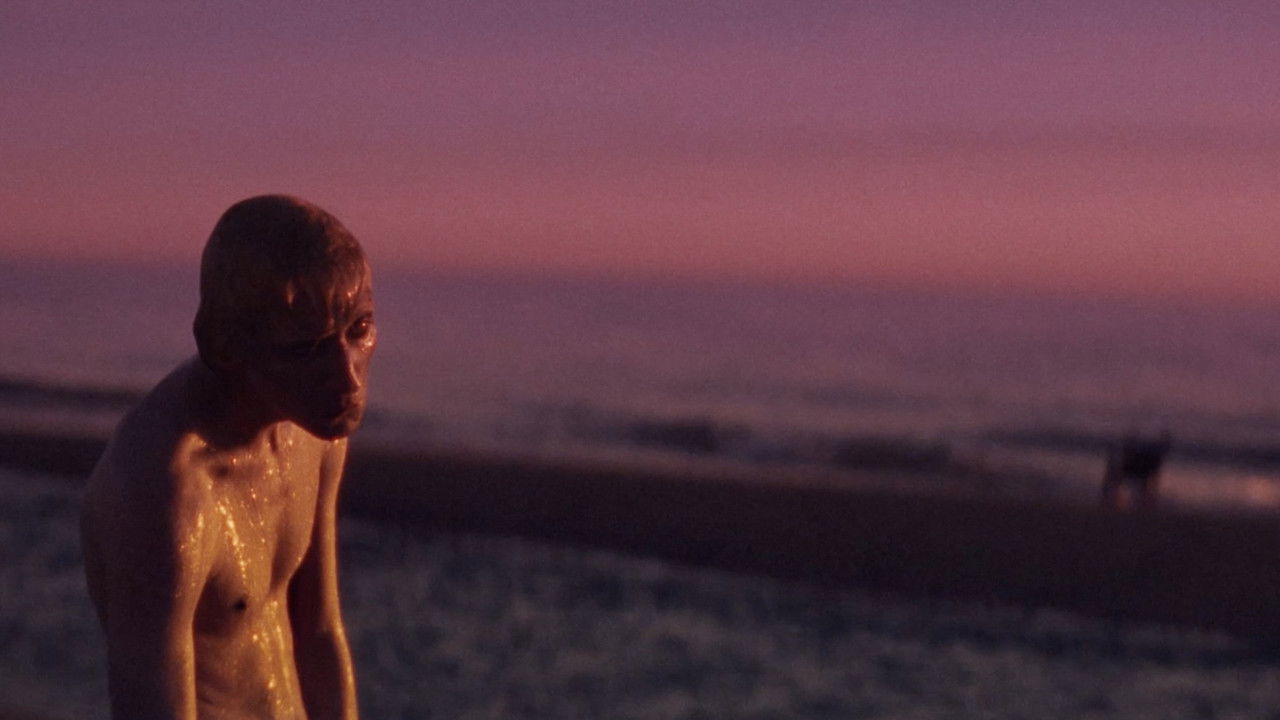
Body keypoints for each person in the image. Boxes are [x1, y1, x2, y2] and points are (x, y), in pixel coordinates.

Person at [80, 195, 375, 719]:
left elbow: (320, 631)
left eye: (360, 329)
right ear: (223, 345)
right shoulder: (162, 492)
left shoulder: (313, 424)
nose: (347, 377)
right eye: (307, 349)